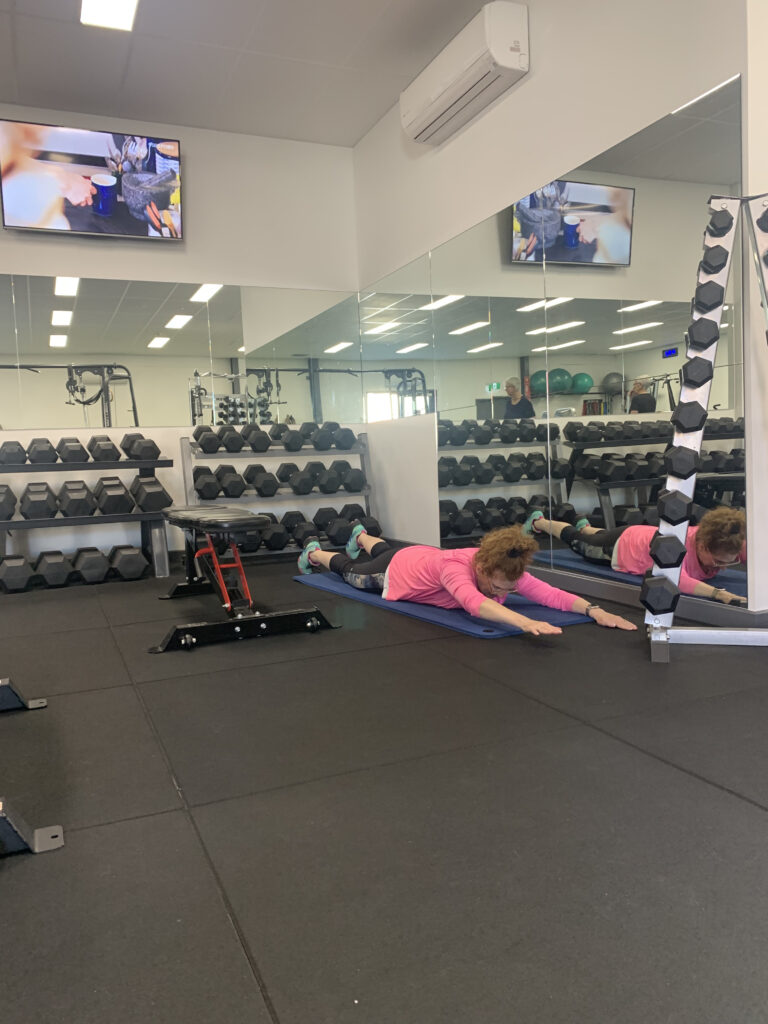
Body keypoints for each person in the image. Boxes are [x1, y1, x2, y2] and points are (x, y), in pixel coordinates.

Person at [298, 523, 636, 635]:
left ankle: (362, 537)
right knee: (352, 573)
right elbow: (475, 605)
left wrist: (593, 609)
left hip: (417, 555)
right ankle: (315, 553)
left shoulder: (505, 567)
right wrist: (524, 622)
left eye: (510, 589)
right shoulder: (455, 571)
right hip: (395, 572)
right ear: (483, 571)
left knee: (382, 549)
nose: (505, 594)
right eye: (500, 589)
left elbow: (550, 594)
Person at [523, 506, 746, 605]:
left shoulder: (721, 538)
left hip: (638, 533)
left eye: (731, 561)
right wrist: (718, 594)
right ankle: (539, 522)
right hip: (623, 547)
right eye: (718, 562)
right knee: (579, 543)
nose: (723, 567)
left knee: (595, 536)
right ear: (703, 547)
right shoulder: (680, 548)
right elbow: (677, 579)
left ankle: (586, 527)